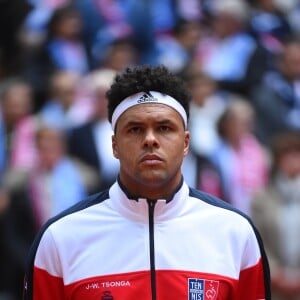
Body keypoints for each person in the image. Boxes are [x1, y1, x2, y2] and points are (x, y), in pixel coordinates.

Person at [23, 65, 271, 299]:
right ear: (114, 145)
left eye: (164, 128)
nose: (150, 140)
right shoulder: (60, 237)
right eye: (135, 129)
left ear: (185, 143)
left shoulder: (235, 232)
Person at [251, 130, 300, 300]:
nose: (293, 161)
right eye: (288, 155)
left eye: (297, 155)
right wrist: (275, 273)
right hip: (275, 285)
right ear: (277, 160)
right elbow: (258, 239)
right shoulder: (261, 199)